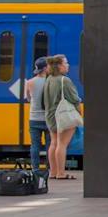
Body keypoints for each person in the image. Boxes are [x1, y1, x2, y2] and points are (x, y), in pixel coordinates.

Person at [40, 55, 82, 183]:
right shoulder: (64, 80)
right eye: (66, 63)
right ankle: (61, 173)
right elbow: (74, 99)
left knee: (54, 143)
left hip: (50, 115)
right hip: (63, 116)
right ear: (59, 66)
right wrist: (78, 111)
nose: (68, 65)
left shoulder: (49, 79)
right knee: (62, 144)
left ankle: (53, 172)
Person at [24, 56, 51, 180]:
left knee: (35, 145)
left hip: (34, 118)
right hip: (48, 118)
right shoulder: (51, 81)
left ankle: (35, 169)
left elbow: (28, 99)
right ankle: (49, 168)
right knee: (50, 145)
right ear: (45, 68)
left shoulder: (29, 82)